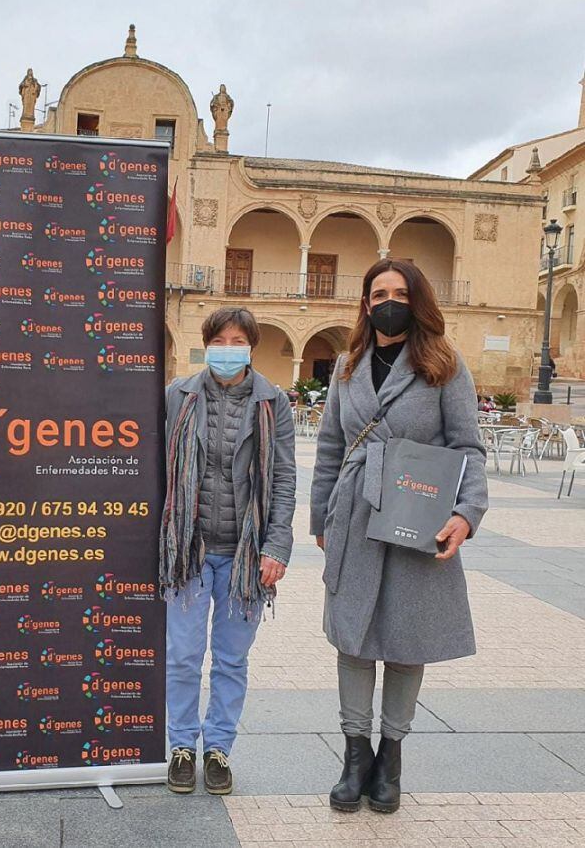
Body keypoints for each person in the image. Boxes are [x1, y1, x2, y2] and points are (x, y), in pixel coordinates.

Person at [310, 259, 488, 814]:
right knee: (354, 638)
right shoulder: (346, 365)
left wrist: (466, 513)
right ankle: (354, 754)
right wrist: (321, 519)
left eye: (400, 292)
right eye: (378, 293)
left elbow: (468, 448)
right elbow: (331, 450)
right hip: (357, 518)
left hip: (421, 512)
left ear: (418, 301)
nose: (388, 301)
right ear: (365, 304)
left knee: (408, 638)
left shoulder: (444, 364)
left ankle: (391, 757)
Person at [161, 307, 296, 795]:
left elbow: (283, 478)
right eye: (219, 339)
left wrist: (277, 545)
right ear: (207, 344)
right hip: (189, 551)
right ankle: (181, 746)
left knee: (232, 660)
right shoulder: (178, 396)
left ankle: (218, 749)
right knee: (181, 657)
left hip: (246, 554)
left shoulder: (273, 402)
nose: (227, 347)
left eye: (237, 339)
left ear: (251, 346)